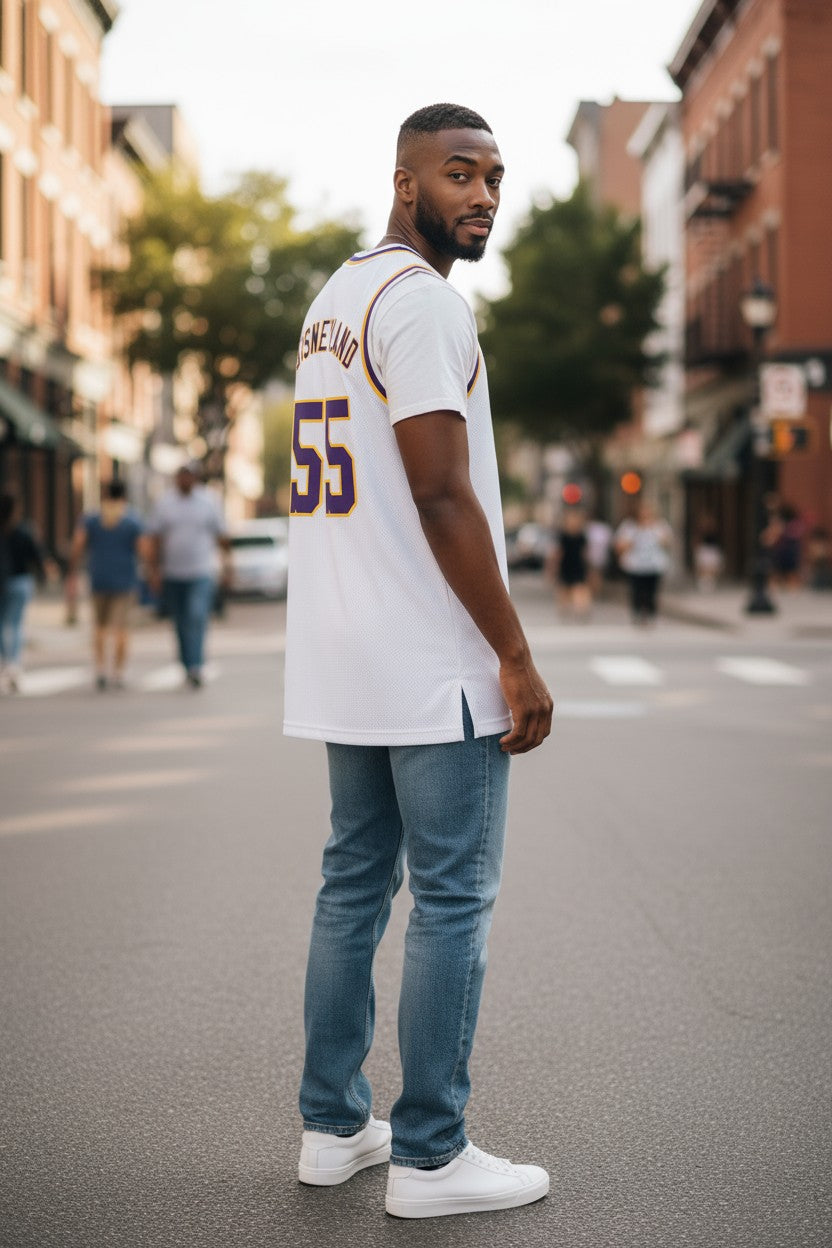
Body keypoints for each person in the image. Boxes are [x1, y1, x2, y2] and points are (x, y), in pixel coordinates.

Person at [284, 103, 553, 1219]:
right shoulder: (425, 306)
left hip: (345, 649)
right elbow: (442, 492)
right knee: (451, 899)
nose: (482, 193)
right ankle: (433, 1156)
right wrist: (515, 652)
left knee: (353, 887)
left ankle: (334, 1126)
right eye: (458, 173)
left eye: (494, 176)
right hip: (429, 655)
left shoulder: (332, 302)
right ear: (406, 184)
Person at [144, 462, 230, 688]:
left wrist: (228, 566)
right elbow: (155, 539)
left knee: (196, 615)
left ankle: (196, 665)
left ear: (196, 478)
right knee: (180, 621)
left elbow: (221, 535)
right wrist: (153, 571)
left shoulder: (209, 501)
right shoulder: (164, 503)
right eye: (182, 476)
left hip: (201, 571)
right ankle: (186, 662)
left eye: (189, 476)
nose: (185, 481)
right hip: (173, 573)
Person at [68, 479, 144, 690]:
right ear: (124, 496)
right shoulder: (132, 520)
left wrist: (72, 571)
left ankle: (101, 668)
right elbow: (143, 549)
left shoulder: (92, 518)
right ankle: (118, 671)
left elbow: (78, 545)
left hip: (98, 578)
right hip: (125, 580)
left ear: (105, 495)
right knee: (121, 628)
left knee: (100, 627)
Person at [0, 492, 48, 693]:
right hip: (20, 582)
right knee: (16, 624)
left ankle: (6, 662)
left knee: (2, 624)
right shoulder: (22, 530)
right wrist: (43, 575)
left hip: (3, 582)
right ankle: (14, 663)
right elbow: (36, 555)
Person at [614, 500, 672, 625]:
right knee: (636, 590)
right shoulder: (629, 526)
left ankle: (651, 613)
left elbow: (667, 542)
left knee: (652, 591)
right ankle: (637, 612)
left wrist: (653, 530)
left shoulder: (659, 525)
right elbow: (619, 545)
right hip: (635, 565)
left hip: (654, 565)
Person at [547, 508, 591, 618]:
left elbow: (585, 553)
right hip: (566, 565)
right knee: (564, 588)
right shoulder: (563, 536)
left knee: (579, 588)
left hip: (578, 564)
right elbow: (558, 553)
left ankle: (581, 609)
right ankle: (565, 608)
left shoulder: (581, 536)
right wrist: (553, 566)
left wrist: (589, 566)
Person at [693, 519, 724, 592]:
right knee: (705, 566)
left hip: (712, 549)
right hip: (706, 548)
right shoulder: (701, 531)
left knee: (711, 566)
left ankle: (708, 582)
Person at [585, 515, 613, 597]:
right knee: (595, 573)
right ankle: (594, 590)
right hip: (600, 555)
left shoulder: (590, 527)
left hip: (594, 555)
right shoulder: (605, 529)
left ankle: (593, 589)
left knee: (594, 573)